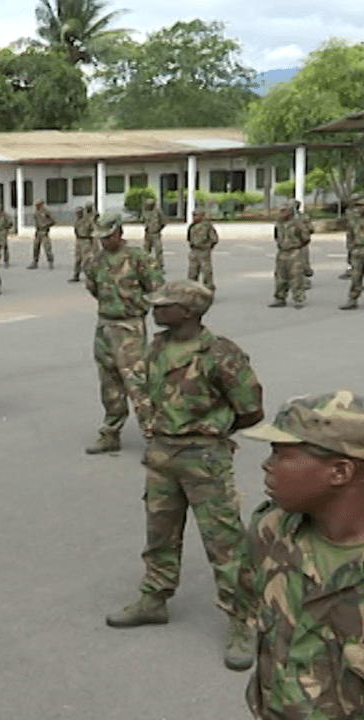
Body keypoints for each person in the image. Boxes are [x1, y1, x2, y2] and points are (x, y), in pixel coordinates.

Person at [104, 280, 263, 673]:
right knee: (160, 532)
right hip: (162, 454)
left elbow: (251, 409)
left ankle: (241, 622)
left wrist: (209, 432)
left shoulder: (221, 353)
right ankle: (154, 598)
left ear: (189, 312)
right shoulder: (157, 346)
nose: (155, 310)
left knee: (224, 542)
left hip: (204, 458)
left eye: (165, 305)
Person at [236, 390, 364, 719]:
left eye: (282, 454)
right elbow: (251, 603)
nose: (268, 466)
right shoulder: (271, 528)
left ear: (340, 472)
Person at [83, 214, 163, 454]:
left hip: (130, 329)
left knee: (137, 385)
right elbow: (93, 288)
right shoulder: (95, 261)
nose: (104, 242)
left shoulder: (139, 259)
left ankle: (154, 438)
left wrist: (132, 307)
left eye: (108, 237)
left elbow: (156, 290)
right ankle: (110, 433)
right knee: (109, 384)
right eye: (100, 238)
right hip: (105, 327)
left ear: (119, 233)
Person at [270, 205, 309, 309]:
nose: (282, 213)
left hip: (294, 252)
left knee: (296, 277)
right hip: (282, 252)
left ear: (290, 212)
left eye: (284, 211)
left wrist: (297, 246)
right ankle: (280, 298)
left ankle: (298, 299)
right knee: (280, 276)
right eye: (281, 211)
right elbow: (276, 236)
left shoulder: (297, 223)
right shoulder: (279, 223)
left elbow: (305, 237)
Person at [186, 209, 220, 291]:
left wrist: (207, 247)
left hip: (204, 252)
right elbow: (189, 238)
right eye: (193, 215)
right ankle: (192, 289)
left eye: (196, 215)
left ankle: (208, 289)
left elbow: (214, 239)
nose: (194, 217)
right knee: (192, 272)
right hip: (194, 252)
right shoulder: (192, 226)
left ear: (202, 216)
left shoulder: (207, 226)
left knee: (206, 272)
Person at [340, 200, 364, 310]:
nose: (359, 208)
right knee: (356, 277)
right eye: (357, 206)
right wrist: (351, 249)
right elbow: (350, 235)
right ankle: (352, 299)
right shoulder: (354, 220)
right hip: (358, 251)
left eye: (361, 206)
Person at [69, 204, 96, 283]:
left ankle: (90, 276)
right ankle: (76, 275)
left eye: (79, 212)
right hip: (79, 240)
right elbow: (76, 230)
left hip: (86, 240)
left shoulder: (87, 220)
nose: (78, 214)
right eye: (77, 213)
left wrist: (91, 241)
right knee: (77, 259)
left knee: (86, 260)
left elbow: (93, 231)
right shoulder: (77, 221)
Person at [30, 199, 54, 269]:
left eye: (37, 205)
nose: (36, 206)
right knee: (35, 248)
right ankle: (35, 262)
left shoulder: (46, 212)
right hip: (38, 232)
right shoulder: (36, 212)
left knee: (47, 248)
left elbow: (53, 221)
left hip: (44, 233)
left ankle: (50, 261)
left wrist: (46, 225)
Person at [142, 198, 165, 273]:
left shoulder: (157, 211)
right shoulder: (145, 211)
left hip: (156, 233)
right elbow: (143, 220)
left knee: (158, 250)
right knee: (146, 251)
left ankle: (160, 266)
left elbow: (163, 221)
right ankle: (146, 266)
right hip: (148, 233)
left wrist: (158, 229)